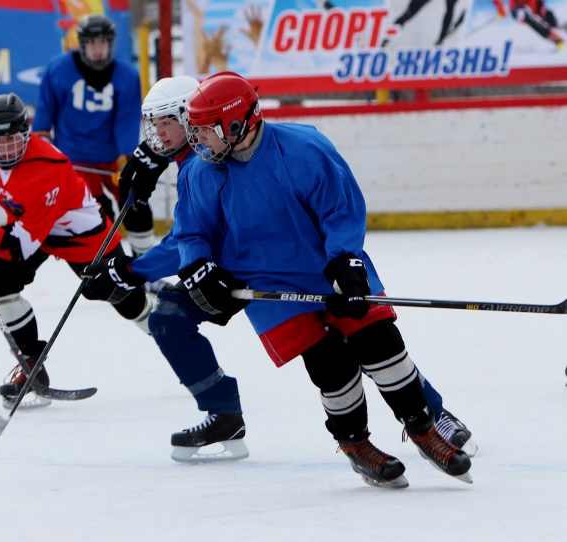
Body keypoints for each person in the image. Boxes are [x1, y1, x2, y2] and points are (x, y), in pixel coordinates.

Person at [82, 75, 476, 472]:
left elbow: (340, 209)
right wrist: (193, 265)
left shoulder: (302, 148)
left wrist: (345, 262)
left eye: (174, 123)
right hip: (258, 278)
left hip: (320, 266)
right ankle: (351, 443)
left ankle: (427, 424)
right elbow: (192, 232)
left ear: (233, 124)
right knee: (328, 363)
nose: (183, 137)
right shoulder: (203, 164)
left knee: (379, 341)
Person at [0, 92, 151, 408]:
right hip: (30, 224)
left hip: (81, 235)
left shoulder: (46, 168)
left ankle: (171, 329)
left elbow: (20, 242)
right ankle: (31, 366)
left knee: (124, 299)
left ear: (27, 134)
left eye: (12, 142)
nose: (4, 151)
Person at [31, 14, 154, 257]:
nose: (98, 49)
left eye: (103, 42)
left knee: (135, 202)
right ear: (81, 43)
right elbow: (45, 112)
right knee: (96, 214)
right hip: (74, 161)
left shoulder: (127, 75)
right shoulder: (57, 70)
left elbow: (127, 120)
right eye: (92, 43)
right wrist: (43, 147)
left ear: (111, 43)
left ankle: (146, 261)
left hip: (113, 159)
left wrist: (126, 158)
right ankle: (112, 264)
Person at [493, 0, 565, 49]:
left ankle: (560, 30)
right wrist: (500, 7)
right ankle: (555, 38)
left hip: (534, 4)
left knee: (551, 20)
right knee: (525, 15)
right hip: (517, 8)